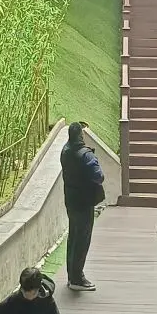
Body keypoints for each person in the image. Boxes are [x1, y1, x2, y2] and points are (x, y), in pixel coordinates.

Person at [60, 121, 105, 292]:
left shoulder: (65, 151)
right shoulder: (86, 155)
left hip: (71, 200)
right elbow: (98, 176)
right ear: (81, 135)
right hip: (84, 202)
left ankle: (71, 276)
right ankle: (77, 278)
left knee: (73, 237)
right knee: (82, 239)